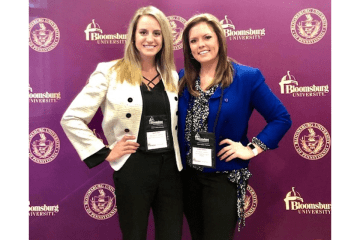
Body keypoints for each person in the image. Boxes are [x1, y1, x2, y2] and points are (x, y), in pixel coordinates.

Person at [60, 6, 183, 240]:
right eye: (143, 32)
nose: (150, 39)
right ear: (133, 36)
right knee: (134, 234)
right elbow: (72, 117)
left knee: (171, 235)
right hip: (133, 166)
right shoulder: (110, 72)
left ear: (165, 38)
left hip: (170, 169)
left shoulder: (172, 76)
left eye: (157, 33)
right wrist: (105, 151)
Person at [177, 13, 292, 240]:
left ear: (219, 39)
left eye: (207, 37)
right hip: (188, 176)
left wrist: (251, 149)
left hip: (223, 177)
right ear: (188, 48)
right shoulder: (184, 77)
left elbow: (281, 118)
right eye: (193, 40)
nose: (201, 44)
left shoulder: (247, 77)